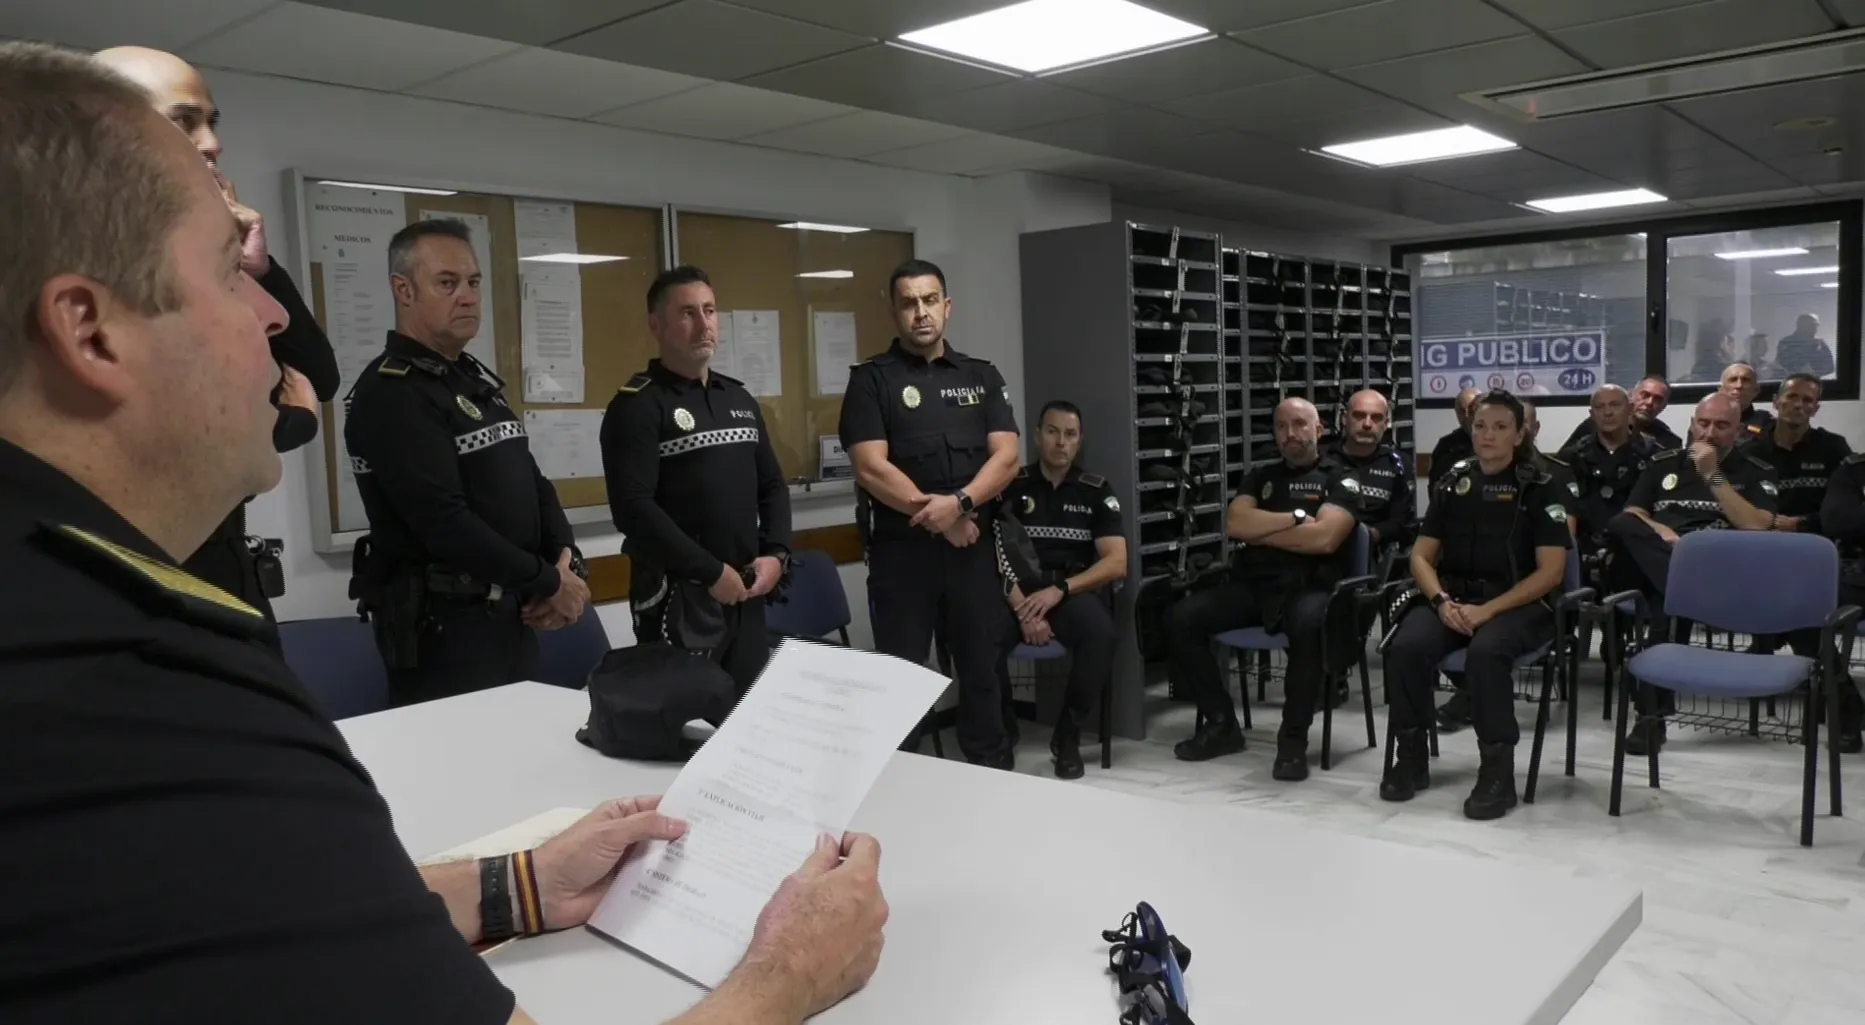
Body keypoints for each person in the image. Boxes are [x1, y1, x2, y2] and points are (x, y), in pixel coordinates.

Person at [0, 42, 886, 1025]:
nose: (270, 318)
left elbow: (286, 909)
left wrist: (518, 884)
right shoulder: (140, 688)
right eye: (227, 268)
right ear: (90, 330)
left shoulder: (64, 605)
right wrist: (788, 974)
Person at [94, 45, 337, 651]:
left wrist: (252, 267)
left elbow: (315, 375)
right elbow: (162, 426)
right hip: (141, 592)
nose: (211, 144)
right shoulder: (84, 268)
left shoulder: (189, 256)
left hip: (226, 579)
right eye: (184, 122)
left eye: (211, 122)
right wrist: (293, 423)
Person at [344, 219, 589, 707]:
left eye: (473, 282)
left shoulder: (468, 379)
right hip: (445, 631)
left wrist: (564, 559)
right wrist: (546, 581)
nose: (468, 297)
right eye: (447, 283)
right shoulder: (393, 393)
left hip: (510, 615)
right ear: (403, 290)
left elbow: (531, 479)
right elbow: (444, 523)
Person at [840, 259, 1020, 768]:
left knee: (982, 676)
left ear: (947, 306)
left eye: (929, 300)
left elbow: (1006, 458)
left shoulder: (981, 376)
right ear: (894, 311)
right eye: (908, 302)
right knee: (902, 684)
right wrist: (942, 516)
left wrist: (960, 504)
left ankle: (993, 781)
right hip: (904, 560)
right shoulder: (871, 381)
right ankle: (903, 790)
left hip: (971, 556)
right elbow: (871, 468)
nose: (921, 312)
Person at [1381, 391, 1572, 821]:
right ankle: (1411, 757)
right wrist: (1440, 600)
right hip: (1455, 599)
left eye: (1501, 427)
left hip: (1522, 603)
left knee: (1486, 654)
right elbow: (1420, 557)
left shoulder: (1541, 486)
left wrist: (1488, 612)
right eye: (1481, 425)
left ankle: (1497, 775)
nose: (1488, 435)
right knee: (1406, 647)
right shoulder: (1454, 481)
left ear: (1520, 433)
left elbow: (1552, 573)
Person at [601, 265, 790, 695]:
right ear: (656, 325)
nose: (704, 324)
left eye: (710, 310)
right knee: (685, 729)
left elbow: (773, 487)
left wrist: (777, 554)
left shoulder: (738, 398)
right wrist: (709, 572)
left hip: (745, 591)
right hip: (678, 599)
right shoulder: (637, 407)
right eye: (688, 313)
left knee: (743, 719)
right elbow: (633, 508)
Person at [1166, 398, 1362, 781]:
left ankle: (1292, 743)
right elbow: (1237, 524)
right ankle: (1222, 723)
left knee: (1307, 626)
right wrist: (1296, 521)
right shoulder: (1261, 476)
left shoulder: (1342, 478)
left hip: (1311, 586)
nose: (1291, 434)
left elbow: (1324, 540)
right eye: (1282, 426)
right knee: (1180, 618)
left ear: (1319, 429)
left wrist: (1267, 532)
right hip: (1255, 585)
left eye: (1301, 424)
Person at [1605, 392, 1779, 754]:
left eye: (1721, 425)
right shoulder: (1662, 464)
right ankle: (1682, 590)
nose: (1710, 432)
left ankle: (1650, 719)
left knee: (1663, 604)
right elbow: (1633, 514)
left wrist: (1713, 475)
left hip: (1719, 569)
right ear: (1691, 424)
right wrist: (1661, 531)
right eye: (1703, 423)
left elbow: (1758, 527)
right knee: (1624, 529)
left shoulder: (1756, 470)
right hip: (1662, 559)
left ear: (1737, 431)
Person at [994, 400, 1128, 779]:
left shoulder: (1096, 492)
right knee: (978, 634)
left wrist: (1061, 591)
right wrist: (1022, 608)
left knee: (1101, 635)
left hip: (1069, 593)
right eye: (1052, 432)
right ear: (1037, 437)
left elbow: (1117, 562)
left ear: (1079, 441)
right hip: (1017, 592)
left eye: (1070, 435)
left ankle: (1068, 735)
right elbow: (992, 553)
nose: (1061, 442)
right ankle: (1002, 730)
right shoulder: (1010, 487)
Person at [1810, 453, 1865, 752]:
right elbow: (1836, 520)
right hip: (1857, 574)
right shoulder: (1854, 469)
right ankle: (1845, 702)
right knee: (1801, 606)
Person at [1558, 385, 1657, 547]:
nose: (1608, 413)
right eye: (1599, 407)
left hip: (1638, 548)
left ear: (1630, 409)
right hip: (1586, 549)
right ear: (1592, 415)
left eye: (1615, 405)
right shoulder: (1571, 457)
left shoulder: (1653, 455)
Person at [1322, 388, 1414, 555]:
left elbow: (1401, 520)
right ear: (1344, 419)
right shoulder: (1323, 460)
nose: (1367, 424)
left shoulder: (1398, 464)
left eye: (1376, 418)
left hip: (1373, 553)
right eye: (1359, 415)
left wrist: (1367, 537)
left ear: (1386, 424)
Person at [1562, 375, 1680, 452]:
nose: (1649, 402)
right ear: (1630, 396)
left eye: (1658, 400)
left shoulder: (1667, 441)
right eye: (1645, 395)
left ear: (1663, 407)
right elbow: (1563, 462)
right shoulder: (1598, 423)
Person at [1426, 387, 1479, 493]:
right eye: (1462, 411)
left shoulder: (1499, 440)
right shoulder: (1446, 446)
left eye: (1472, 410)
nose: (1467, 416)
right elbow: (1436, 489)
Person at [1719, 361, 1774, 441]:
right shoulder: (1708, 421)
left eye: (1745, 380)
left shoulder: (1766, 423)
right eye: (1733, 380)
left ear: (1756, 390)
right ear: (1721, 390)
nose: (1739, 385)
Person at [1776, 313, 1835, 379]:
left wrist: (1815, 371)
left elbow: (1830, 366)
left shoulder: (1820, 343)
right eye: (1812, 324)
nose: (1815, 328)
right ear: (1801, 325)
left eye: (1816, 325)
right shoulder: (1787, 342)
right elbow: (1782, 363)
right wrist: (1799, 368)